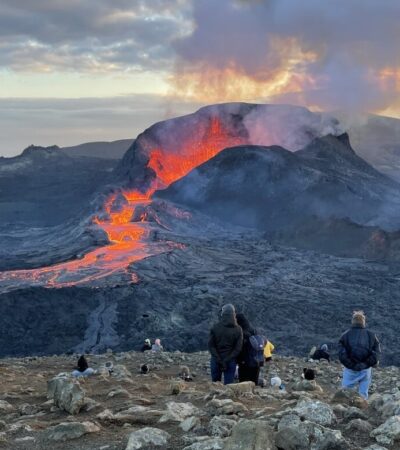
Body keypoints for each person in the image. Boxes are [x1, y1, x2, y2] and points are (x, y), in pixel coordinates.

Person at [338, 311, 380, 400]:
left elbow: (342, 354)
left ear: (353, 321)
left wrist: (352, 365)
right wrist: (365, 364)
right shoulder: (371, 335)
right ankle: (362, 408)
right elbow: (376, 353)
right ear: (363, 321)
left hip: (350, 369)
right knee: (363, 394)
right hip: (365, 370)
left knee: (345, 392)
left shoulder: (345, 335)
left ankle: (344, 409)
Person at [208, 304, 243, 385]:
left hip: (216, 360)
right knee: (229, 386)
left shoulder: (215, 327)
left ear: (222, 314)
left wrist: (219, 360)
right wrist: (226, 360)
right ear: (234, 314)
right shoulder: (238, 329)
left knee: (216, 385)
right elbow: (238, 349)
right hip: (230, 361)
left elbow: (211, 346)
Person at [236, 312, 262, 384]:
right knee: (253, 384)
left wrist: (238, 360)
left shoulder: (242, 333)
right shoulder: (254, 330)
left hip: (245, 363)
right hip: (256, 363)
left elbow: (241, 349)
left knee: (243, 384)